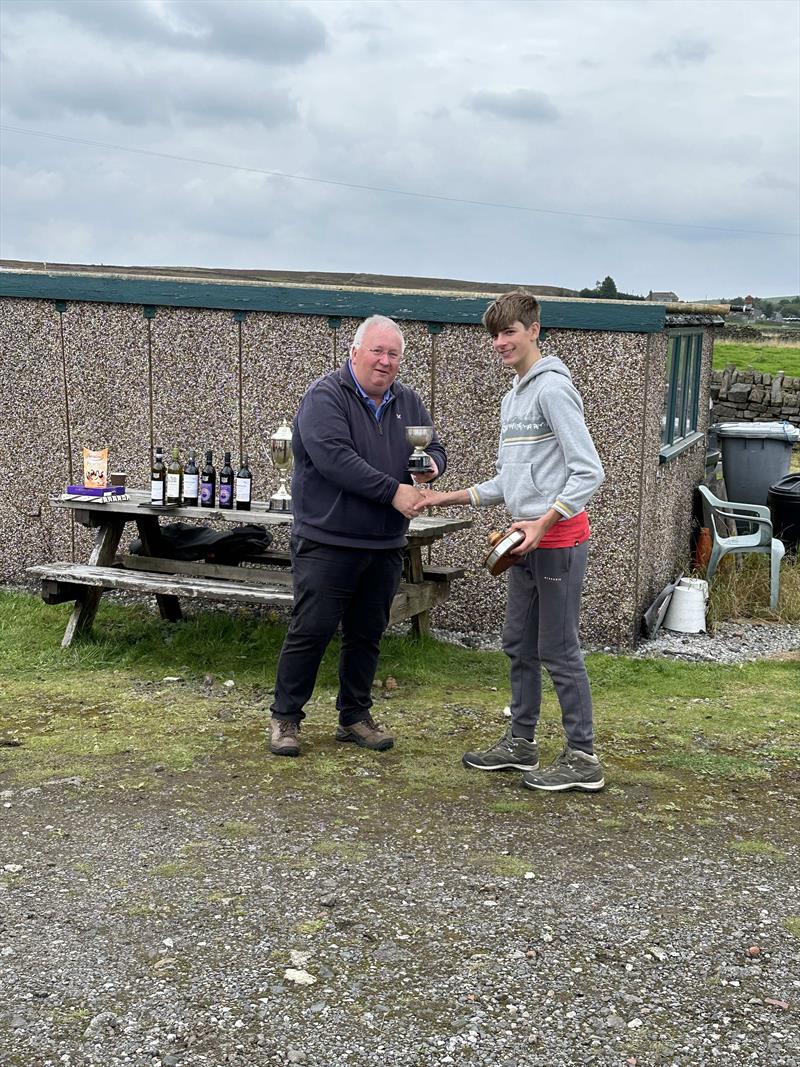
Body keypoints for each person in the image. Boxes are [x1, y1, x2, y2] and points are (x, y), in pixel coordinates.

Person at [415, 290, 605, 791]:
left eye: (510, 332)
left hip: (558, 540)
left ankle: (582, 759)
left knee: (559, 648)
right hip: (523, 542)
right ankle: (521, 743)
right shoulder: (513, 396)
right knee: (519, 644)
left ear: (534, 330)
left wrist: (542, 523)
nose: (501, 342)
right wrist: (442, 499)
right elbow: (506, 483)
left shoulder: (552, 391)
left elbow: (589, 472)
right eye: (495, 335)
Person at [269, 315, 446, 757]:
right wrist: (394, 493)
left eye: (393, 354)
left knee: (367, 634)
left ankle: (353, 716)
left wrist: (432, 466)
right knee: (311, 631)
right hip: (328, 540)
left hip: (385, 544)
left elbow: (435, 448)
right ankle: (286, 718)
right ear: (354, 352)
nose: (385, 362)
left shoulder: (409, 402)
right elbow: (335, 460)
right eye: (377, 351)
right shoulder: (325, 396)